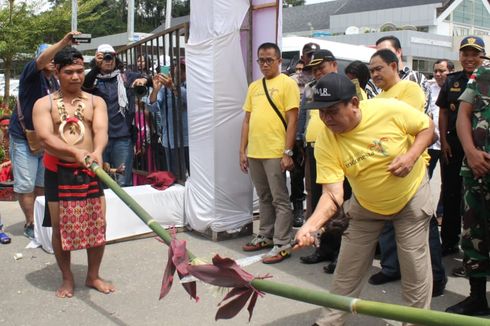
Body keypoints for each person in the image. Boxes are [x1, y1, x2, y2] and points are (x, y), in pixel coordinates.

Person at [296, 73, 435, 325]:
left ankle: (416, 322)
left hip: (410, 198)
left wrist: (412, 155)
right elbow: (332, 194)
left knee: (414, 270)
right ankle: (329, 321)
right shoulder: (326, 140)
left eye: (332, 111)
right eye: (320, 112)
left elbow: (427, 127)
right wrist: (311, 226)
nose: (326, 119)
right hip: (366, 205)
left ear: (354, 103)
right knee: (347, 270)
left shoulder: (389, 109)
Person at [33, 47, 114, 298]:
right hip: (58, 171)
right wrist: (75, 153)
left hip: (91, 169)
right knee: (59, 228)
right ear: (56, 71)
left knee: (98, 224)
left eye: (80, 71)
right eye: (69, 72)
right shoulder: (43, 104)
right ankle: (67, 278)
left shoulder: (95, 101)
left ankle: (93, 275)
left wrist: (98, 151)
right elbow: (45, 138)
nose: (76, 77)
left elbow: (101, 131)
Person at [367, 49, 447, 297]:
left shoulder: (409, 89)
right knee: (390, 223)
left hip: (411, 167)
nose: (375, 74)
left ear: (394, 65)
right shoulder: (380, 95)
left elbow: (403, 127)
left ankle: (435, 277)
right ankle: (392, 268)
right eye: (371, 71)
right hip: (387, 169)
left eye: (379, 68)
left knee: (423, 225)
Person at [8, 32, 79, 239]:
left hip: (46, 140)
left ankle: (40, 221)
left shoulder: (55, 82)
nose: (50, 61)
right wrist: (64, 42)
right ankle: (30, 222)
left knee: (41, 183)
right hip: (24, 137)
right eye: (48, 57)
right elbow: (41, 60)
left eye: (53, 59)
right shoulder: (32, 73)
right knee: (25, 184)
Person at [240, 42, 299, 264]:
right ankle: (265, 235)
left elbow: (292, 120)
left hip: (275, 151)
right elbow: (246, 120)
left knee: (280, 199)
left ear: (279, 61)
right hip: (255, 151)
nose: (264, 64)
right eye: (261, 60)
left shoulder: (287, 84)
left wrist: (287, 152)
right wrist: (242, 150)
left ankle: (282, 242)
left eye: (269, 60)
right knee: (264, 197)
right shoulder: (254, 87)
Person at [445, 62, 490, 316]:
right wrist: (471, 153)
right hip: (477, 171)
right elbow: (463, 114)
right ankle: (476, 298)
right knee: (474, 235)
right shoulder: (483, 74)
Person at [296, 49, 345, 269]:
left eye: (321, 68)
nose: (317, 73)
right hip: (313, 149)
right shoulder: (309, 89)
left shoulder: (345, 86)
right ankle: (322, 248)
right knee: (316, 200)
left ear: (334, 65)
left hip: (339, 151)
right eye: (314, 69)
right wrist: (299, 141)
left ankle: (340, 253)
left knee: (338, 205)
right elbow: (304, 116)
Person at [437, 36, 484, 256]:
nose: (470, 58)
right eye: (466, 54)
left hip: (481, 146)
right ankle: (448, 242)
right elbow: (444, 111)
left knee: (477, 200)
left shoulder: (486, 80)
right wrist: (444, 141)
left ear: (482, 56)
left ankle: (476, 246)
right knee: (452, 194)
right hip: (454, 145)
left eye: (475, 54)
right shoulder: (452, 80)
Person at [82, 44, 150, 187]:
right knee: (102, 180)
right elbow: (84, 86)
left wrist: (144, 80)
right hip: (99, 139)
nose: (108, 60)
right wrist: (96, 67)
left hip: (123, 138)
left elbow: (149, 78)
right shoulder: (94, 78)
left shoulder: (125, 77)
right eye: (104, 57)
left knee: (123, 181)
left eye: (111, 57)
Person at [147, 59, 189, 177]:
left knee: (196, 178)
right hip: (171, 141)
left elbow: (190, 101)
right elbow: (152, 108)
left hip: (191, 141)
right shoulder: (164, 88)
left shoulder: (192, 85)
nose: (180, 71)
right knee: (176, 178)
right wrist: (155, 90)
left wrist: (173, 88)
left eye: (184, 69)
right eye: (178, 67)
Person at [366, 35, 430, 108]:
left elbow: (425, 112)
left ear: (398, 52)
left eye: (386, 52)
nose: (381, 56)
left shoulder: (417, 78)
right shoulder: (371, 83)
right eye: (378, 53)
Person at [427, 59, 455, 178]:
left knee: (449, 181)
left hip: (449, 144)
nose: (438, 74)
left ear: (451, 72)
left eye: (442, 71)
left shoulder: (456, 90)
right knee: (426, 177)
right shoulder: (428, 89)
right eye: (435, 71)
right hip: (430, 143)